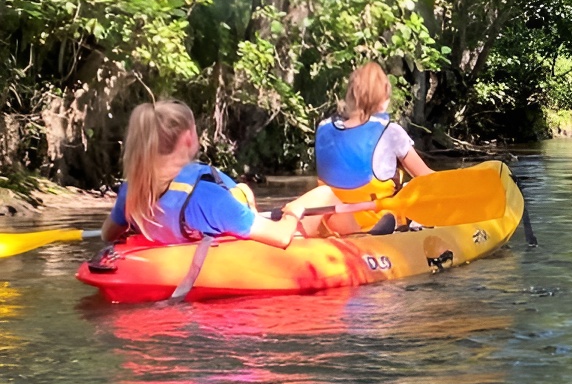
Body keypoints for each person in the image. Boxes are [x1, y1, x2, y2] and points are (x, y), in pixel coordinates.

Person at [100, 101, 300, 247]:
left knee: (243, 191)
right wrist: (292, 213)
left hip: (177, 250)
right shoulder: (207, 196)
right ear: (188, 138)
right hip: (224, 234)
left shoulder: (133, 190)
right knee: (318, 199)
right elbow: (281, 237)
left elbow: (107, 234)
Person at [283, 62, 433, 236]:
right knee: (409, 191)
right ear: (384, 99)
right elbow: (427, 179)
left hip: (334, 222)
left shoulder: (323, 129)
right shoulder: (391, 132)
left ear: (350, 96)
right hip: (377, 225)